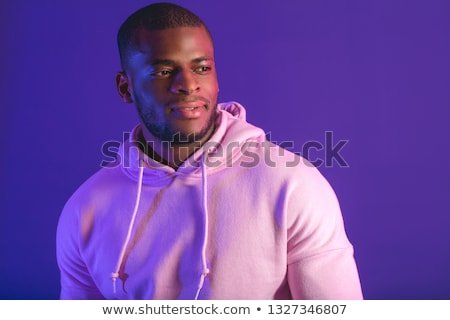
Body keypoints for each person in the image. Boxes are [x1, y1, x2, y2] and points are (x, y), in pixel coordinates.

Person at [56, 2, 363, 300]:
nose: (189, 84)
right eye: (163, 71)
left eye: (202, 67)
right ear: (126, 88)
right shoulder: (85, 209)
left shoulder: (292, 185)